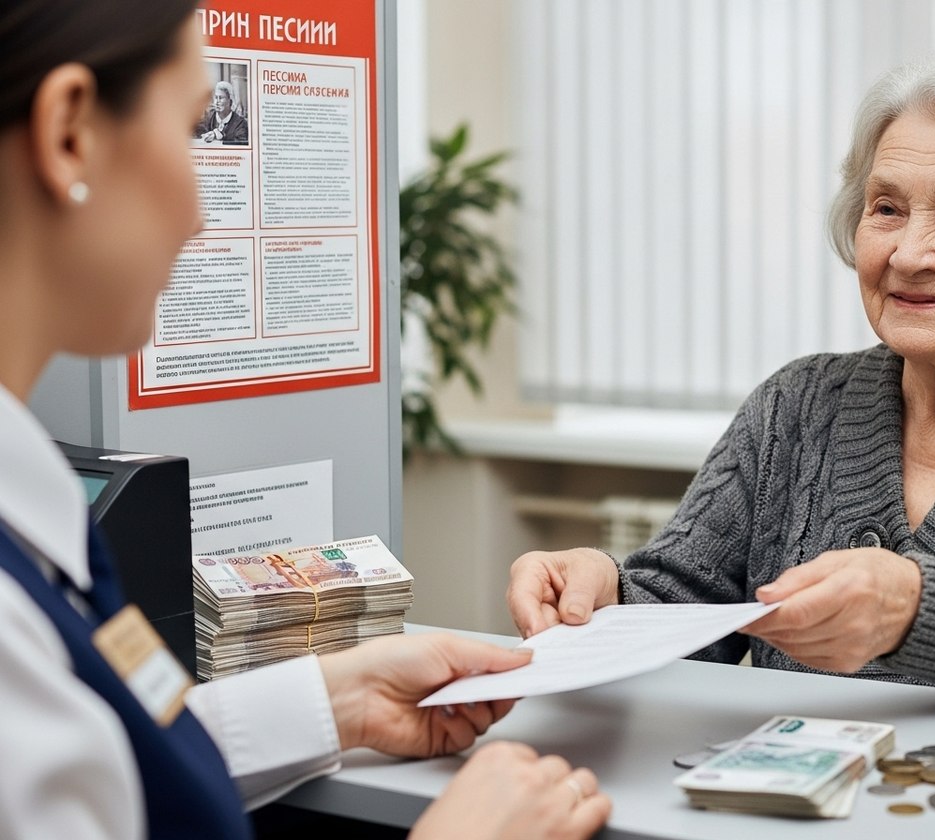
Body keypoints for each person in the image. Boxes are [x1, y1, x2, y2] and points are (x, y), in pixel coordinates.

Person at [0, 2, 610, 839]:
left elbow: (104, 758)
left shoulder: (34, 507)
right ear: (70, 131)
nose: (200, 214)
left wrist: (338, 699)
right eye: (188, 132)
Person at [509, 52, 935, 715]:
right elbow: (684, 612)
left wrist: (926, 613)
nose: (908, 254)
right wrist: (606, 597)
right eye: (887, 208)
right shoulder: (797, 406)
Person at [196, 79, 248, 145]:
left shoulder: (240, 124)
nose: (217, 102)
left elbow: (240, 145)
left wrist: (220, 136)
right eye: (215, 98)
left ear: (230, 101)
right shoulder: (207, 118)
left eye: (221, 98)